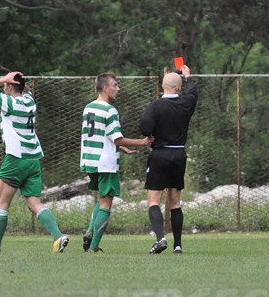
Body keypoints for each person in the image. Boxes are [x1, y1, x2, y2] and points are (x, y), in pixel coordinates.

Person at [0, 71, 69, 254]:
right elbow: (24, 89)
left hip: (16, 157)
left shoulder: (10, 102)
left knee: (2, 204)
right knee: (34, 203)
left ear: (10, 86)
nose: (3, 88)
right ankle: (58, 237)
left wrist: (4, 78)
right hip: (33, 158)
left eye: (5, 86)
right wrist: (18, 79)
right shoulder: (29, 101)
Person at [80, 73, 152, 253]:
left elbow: (102, 135)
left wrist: (120, 148)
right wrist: (142, 142)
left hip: (91, 159)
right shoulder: (110, 110)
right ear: (105, 88)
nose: (117, 88)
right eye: (115, 85)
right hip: (105, 162)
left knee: (102, 198)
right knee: (107, 202)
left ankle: (90, 231)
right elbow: (117, 138)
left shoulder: (88, 108)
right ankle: (94, 247)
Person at [139, 63, 198, 254]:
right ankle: (178, 245)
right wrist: (187, 76)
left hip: (159, 155)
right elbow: (193, 93)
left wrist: (151, 135)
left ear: (162, 87)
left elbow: (145, 128)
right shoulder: (186, 103)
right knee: (175, 201)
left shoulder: (155, 105)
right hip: (178, 154)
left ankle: (160, 238)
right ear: (178, 88)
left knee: (153, 200)